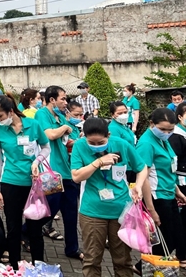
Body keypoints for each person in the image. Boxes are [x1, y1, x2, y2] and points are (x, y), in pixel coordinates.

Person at [71, 117, 148, 277]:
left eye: (101, 142)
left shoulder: (121, 145)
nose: (96, 146)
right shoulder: (79, 146)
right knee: (92, 260)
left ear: (109, 134)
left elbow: (142, 167)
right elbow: (76, 176)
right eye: (91, 142)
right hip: (92, 211)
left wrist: (138, 187)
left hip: (121, 211)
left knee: (123, 261)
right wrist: (98, 162)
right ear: (84, 136)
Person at [0, 94, 51, 268]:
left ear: (10, 111)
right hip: (10, 183)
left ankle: (38, 266)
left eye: (0, 116)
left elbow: (46, 148)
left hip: (33, 184)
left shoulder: (33, 125)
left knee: (35, 229)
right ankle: (15, 266)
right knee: (13, 228)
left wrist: (37, 161)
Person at [34, 86, 82, 259]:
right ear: (52, 99)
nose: (65, 102)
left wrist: (80, 142)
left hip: (67, 171)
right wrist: (65, 129)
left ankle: (72, 248)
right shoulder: (42, 115)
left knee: (71, 212)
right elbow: (49, 135)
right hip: (50, 171)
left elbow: (67, 141)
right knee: (50, 208)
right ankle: (27, 231)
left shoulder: (61, 117)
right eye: (62, 98)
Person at [138, 108, 186, 269]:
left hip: (168, 194)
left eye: (170, 129)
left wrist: (177, 191)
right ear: (152, 124)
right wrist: (151, 210)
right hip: (156, 197)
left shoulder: (163, 141)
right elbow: (143, 177)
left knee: (174, 236)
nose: (167, 132)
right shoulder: (146, 143)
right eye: (163, 129)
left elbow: (168, 169)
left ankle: (146, 267)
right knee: (165, 238)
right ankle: (144, 267)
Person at [170, 102, 186, 265]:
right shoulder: (176, 135)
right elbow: (173, 163)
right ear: (180, 117)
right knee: (181, 222)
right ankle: (182, 255)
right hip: (180, 183)